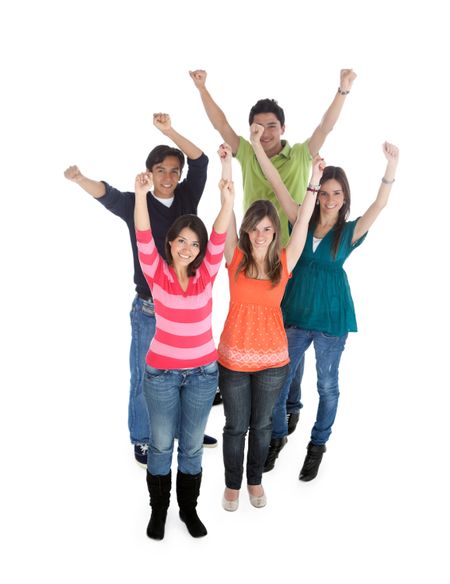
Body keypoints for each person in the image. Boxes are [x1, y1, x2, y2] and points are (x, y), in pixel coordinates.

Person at [189, 67, 356, 407]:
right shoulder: (248, 152)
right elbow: (221, 124)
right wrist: (202, 88)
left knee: (286, 332)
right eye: (257, 127)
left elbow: (326, 127)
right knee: (244, 313)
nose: (264, 133)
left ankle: (286, 401)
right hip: (252, 252)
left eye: (271, 126)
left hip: (289, 257)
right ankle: (237, 378)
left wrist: (342, 90)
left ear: (283, 128)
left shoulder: (298, 154)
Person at [63, 114, 217, 467]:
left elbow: (202, 160)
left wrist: (169, 131)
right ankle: (143, 437)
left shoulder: (187, 198)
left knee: (188, 376)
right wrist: (80, 179)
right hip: (150, 309)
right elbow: (108, 194)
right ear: (149, 172)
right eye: (161, 170)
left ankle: (183, 430)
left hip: (187, 308)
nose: (168, 177)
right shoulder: (138, 202)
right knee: (145, 376)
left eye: (174, 171)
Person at [261, 141, 399, 480]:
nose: (330, 199)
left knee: (327, 385)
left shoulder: (349, 232)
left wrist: (391, 166)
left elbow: (380, 204)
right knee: (279, 382)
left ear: (344, 198)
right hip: (294, 313)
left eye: (336, 193)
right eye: (324, 192)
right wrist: (312, 174)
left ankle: (317, 445)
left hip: (330, 320)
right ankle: (277, 436)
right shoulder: (302, 220)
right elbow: (278, 187)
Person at [218, 128, 323, 512]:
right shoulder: (235, 258)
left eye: (268, 229)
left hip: (272, 360)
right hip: (231, 357)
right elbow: (227, 207)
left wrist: (313, 182)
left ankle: (254, 482)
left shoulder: (284, 260)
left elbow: (307, 218)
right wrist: (227, 164)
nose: (261, 234)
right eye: (255, 228)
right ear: (246, 230)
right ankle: (232, 486)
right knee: (234, 427)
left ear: (275, 232)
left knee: (262, 427)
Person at [134, 144, 235, 540]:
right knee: (160, 446)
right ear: (172, 243)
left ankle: (188, 510)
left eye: (195, 244)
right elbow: (143, 232)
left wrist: (227, 200)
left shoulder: (207, 273)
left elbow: (221, 232)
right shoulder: (156, 273)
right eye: (182, 242)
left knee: (191, 447)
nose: (189, 248)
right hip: (160, 374)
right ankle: (158, 512)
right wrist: (141, 195)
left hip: (201, 376)